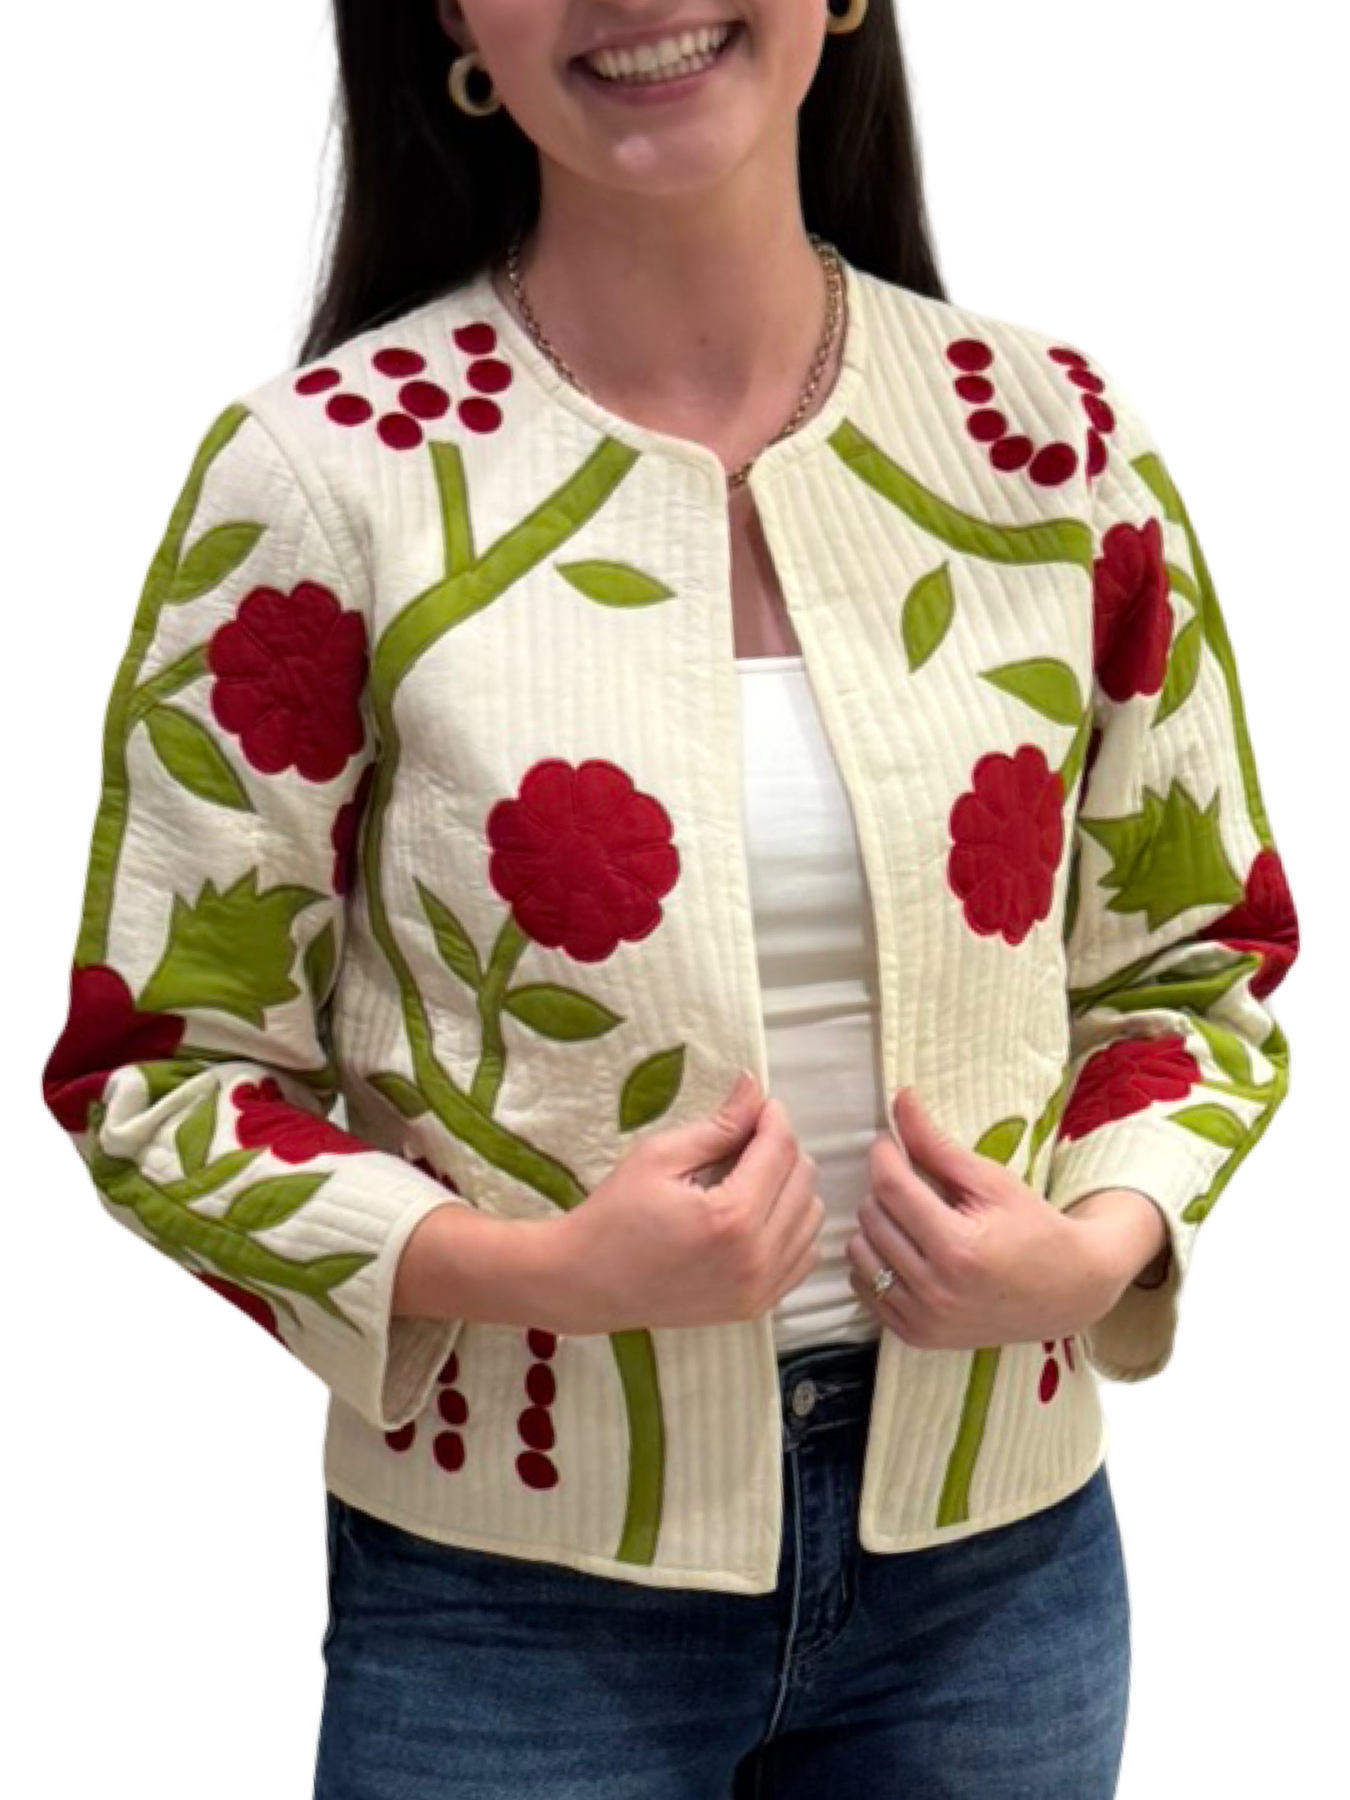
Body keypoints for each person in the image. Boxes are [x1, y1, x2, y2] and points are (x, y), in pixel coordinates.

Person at [39, 2, 1300, 1795]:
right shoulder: (325, 478)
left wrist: (1094, 1249)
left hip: (999, 1578)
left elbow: (1192, 959)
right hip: (508, 1603)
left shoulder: (1049, 442)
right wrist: (535, 1274)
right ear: (452, 17)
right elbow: (161, 1066)